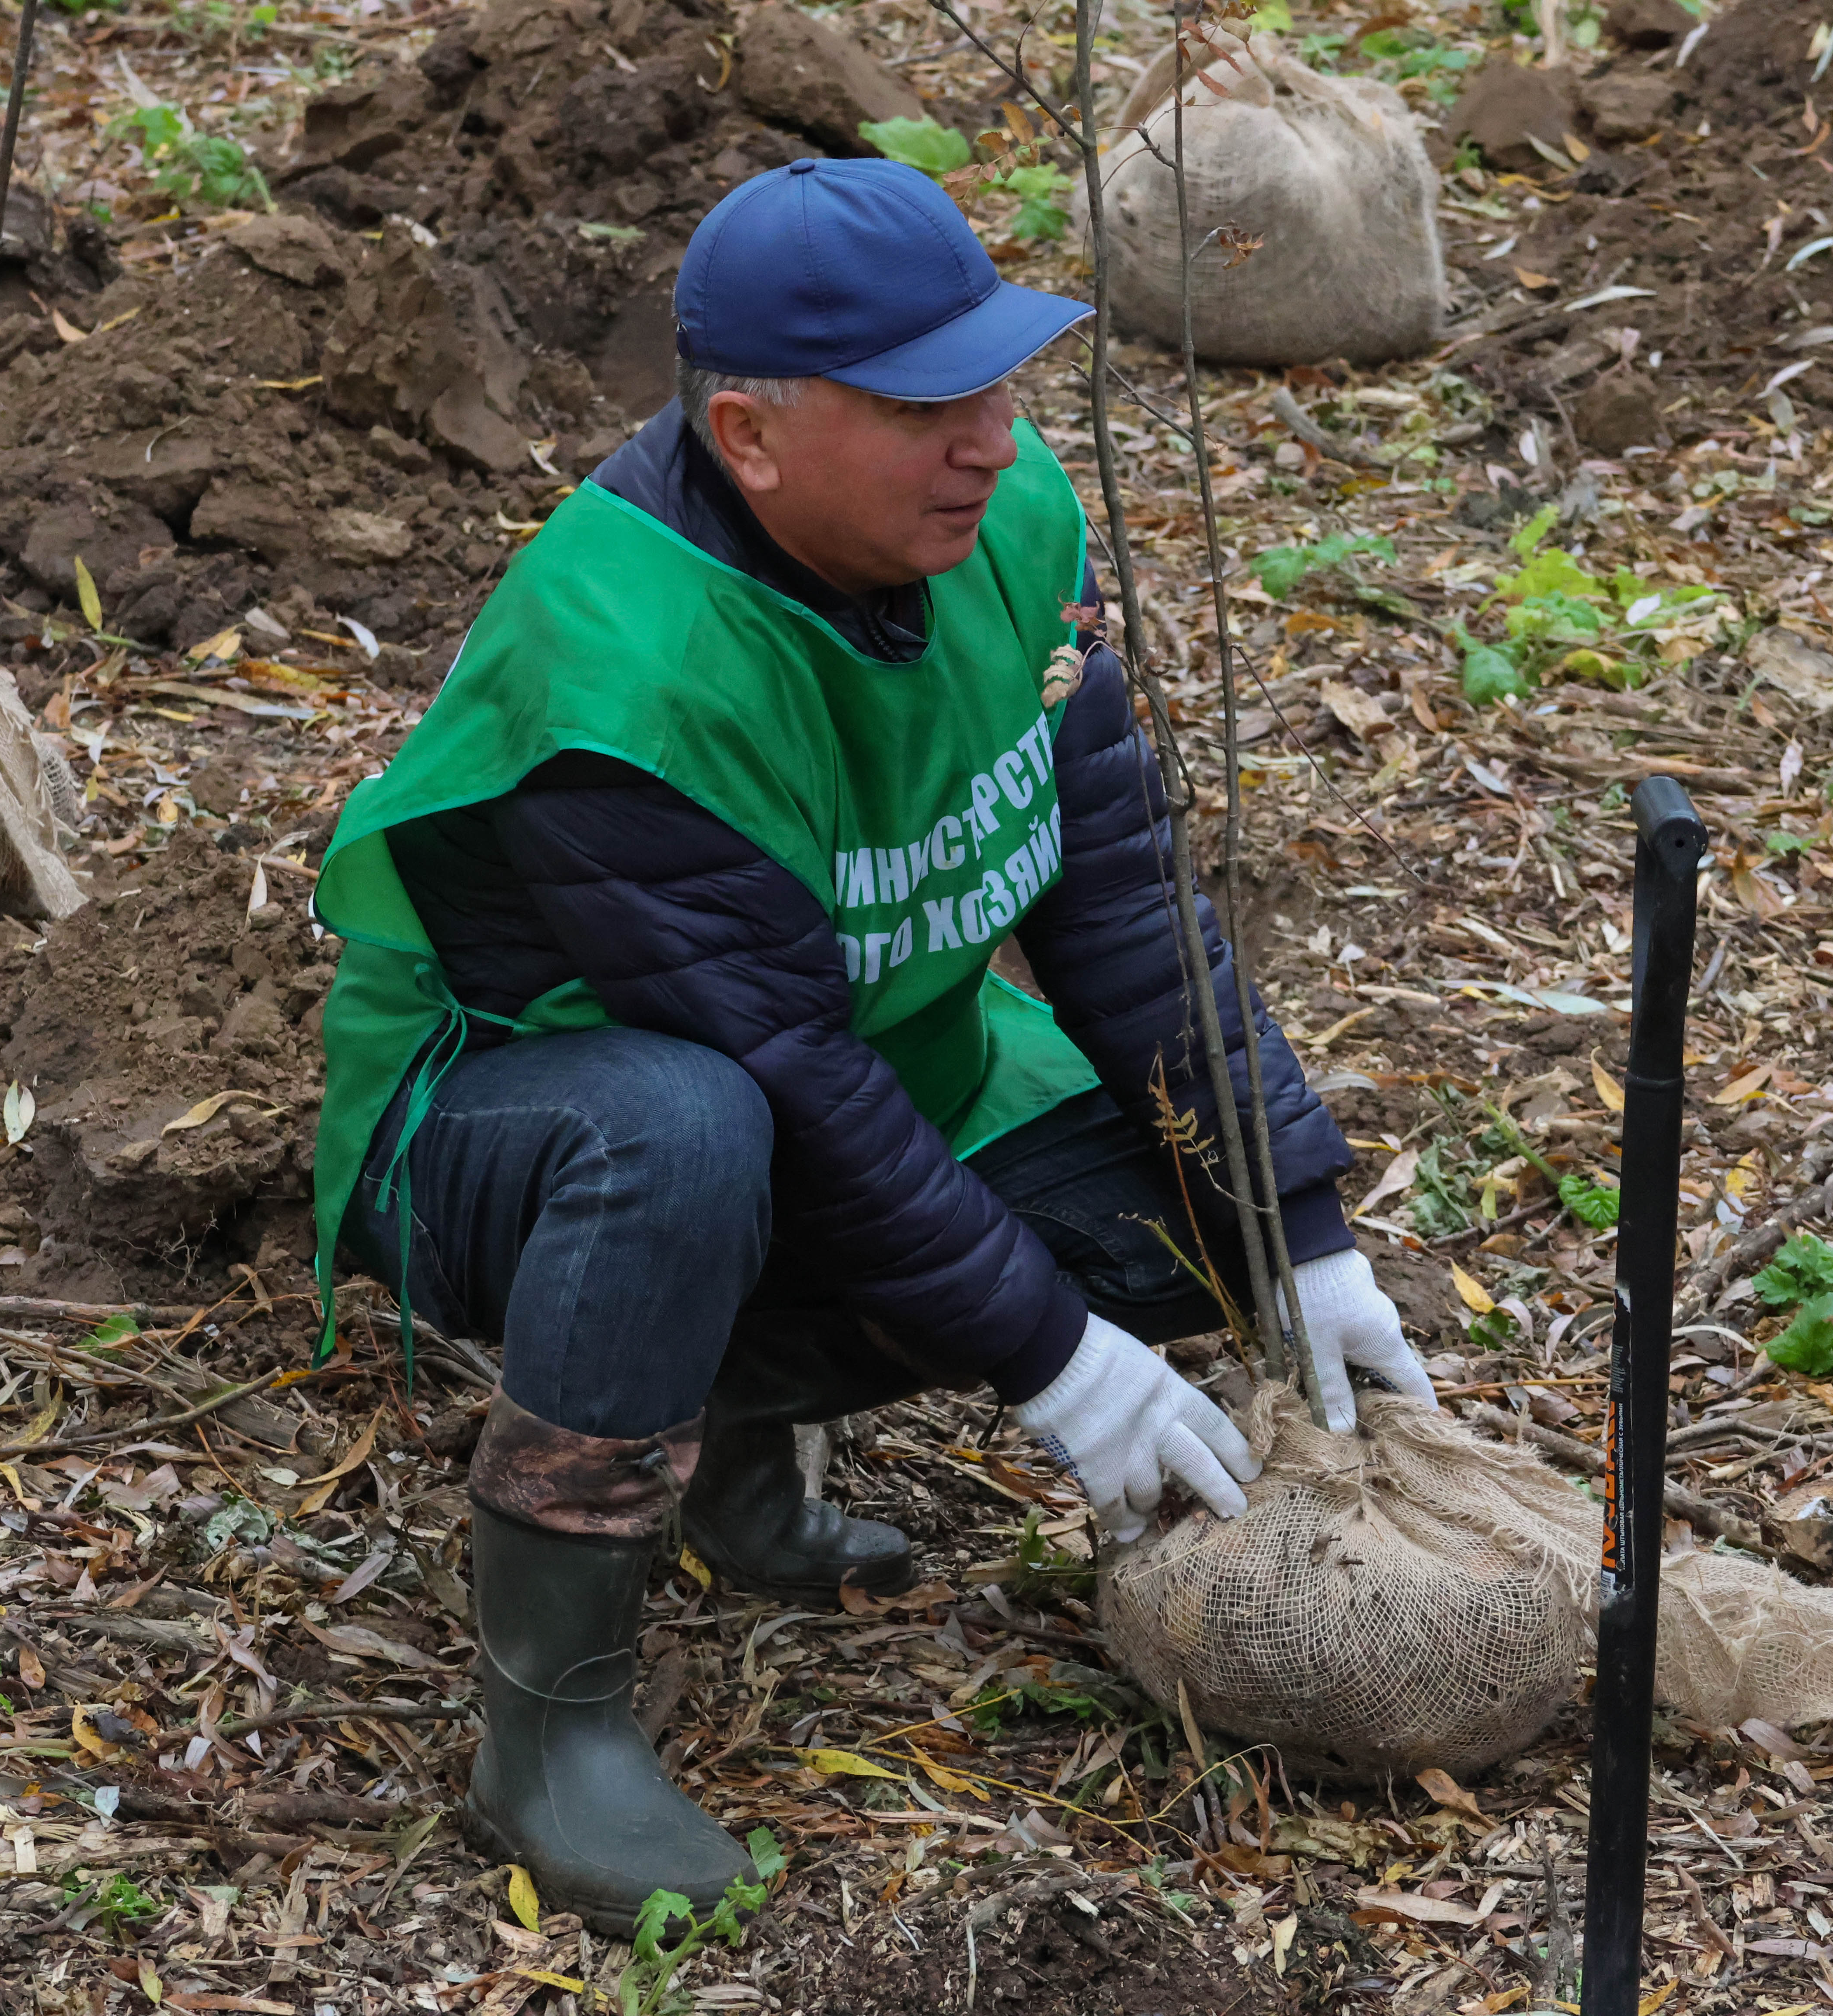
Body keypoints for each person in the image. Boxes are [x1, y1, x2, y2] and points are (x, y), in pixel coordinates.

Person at [308, 157, 1438, 1931]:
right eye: (930, 405)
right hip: (515, 1116)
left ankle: (736, 1459)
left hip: (836, 1065)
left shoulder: (998, 528)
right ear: (751, 437)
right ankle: (548, 1728)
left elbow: (1120, 893)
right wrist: (1056, 1361)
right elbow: (779, 1073)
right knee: (683, 1137)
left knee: (1179, 1195)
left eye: (997, 381)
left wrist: (1293, 1220)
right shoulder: (631, 670)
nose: (992, 438)